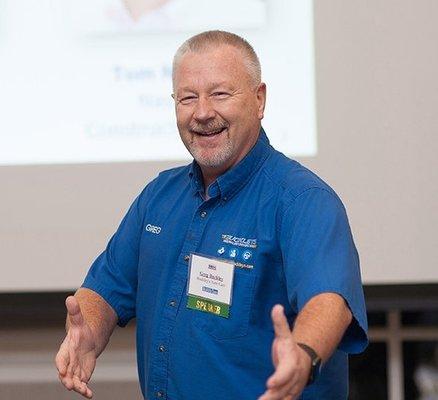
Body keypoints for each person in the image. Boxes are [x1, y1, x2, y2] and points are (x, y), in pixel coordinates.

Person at [55, 30, 368, 400]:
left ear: (259, 99)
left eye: (220, 94)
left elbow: (329, 300)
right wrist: (89, 331)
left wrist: (303, 355)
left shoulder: (304, 200)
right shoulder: (158, 197)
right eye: (188, 98)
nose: (202, 113)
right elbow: (105, 290)